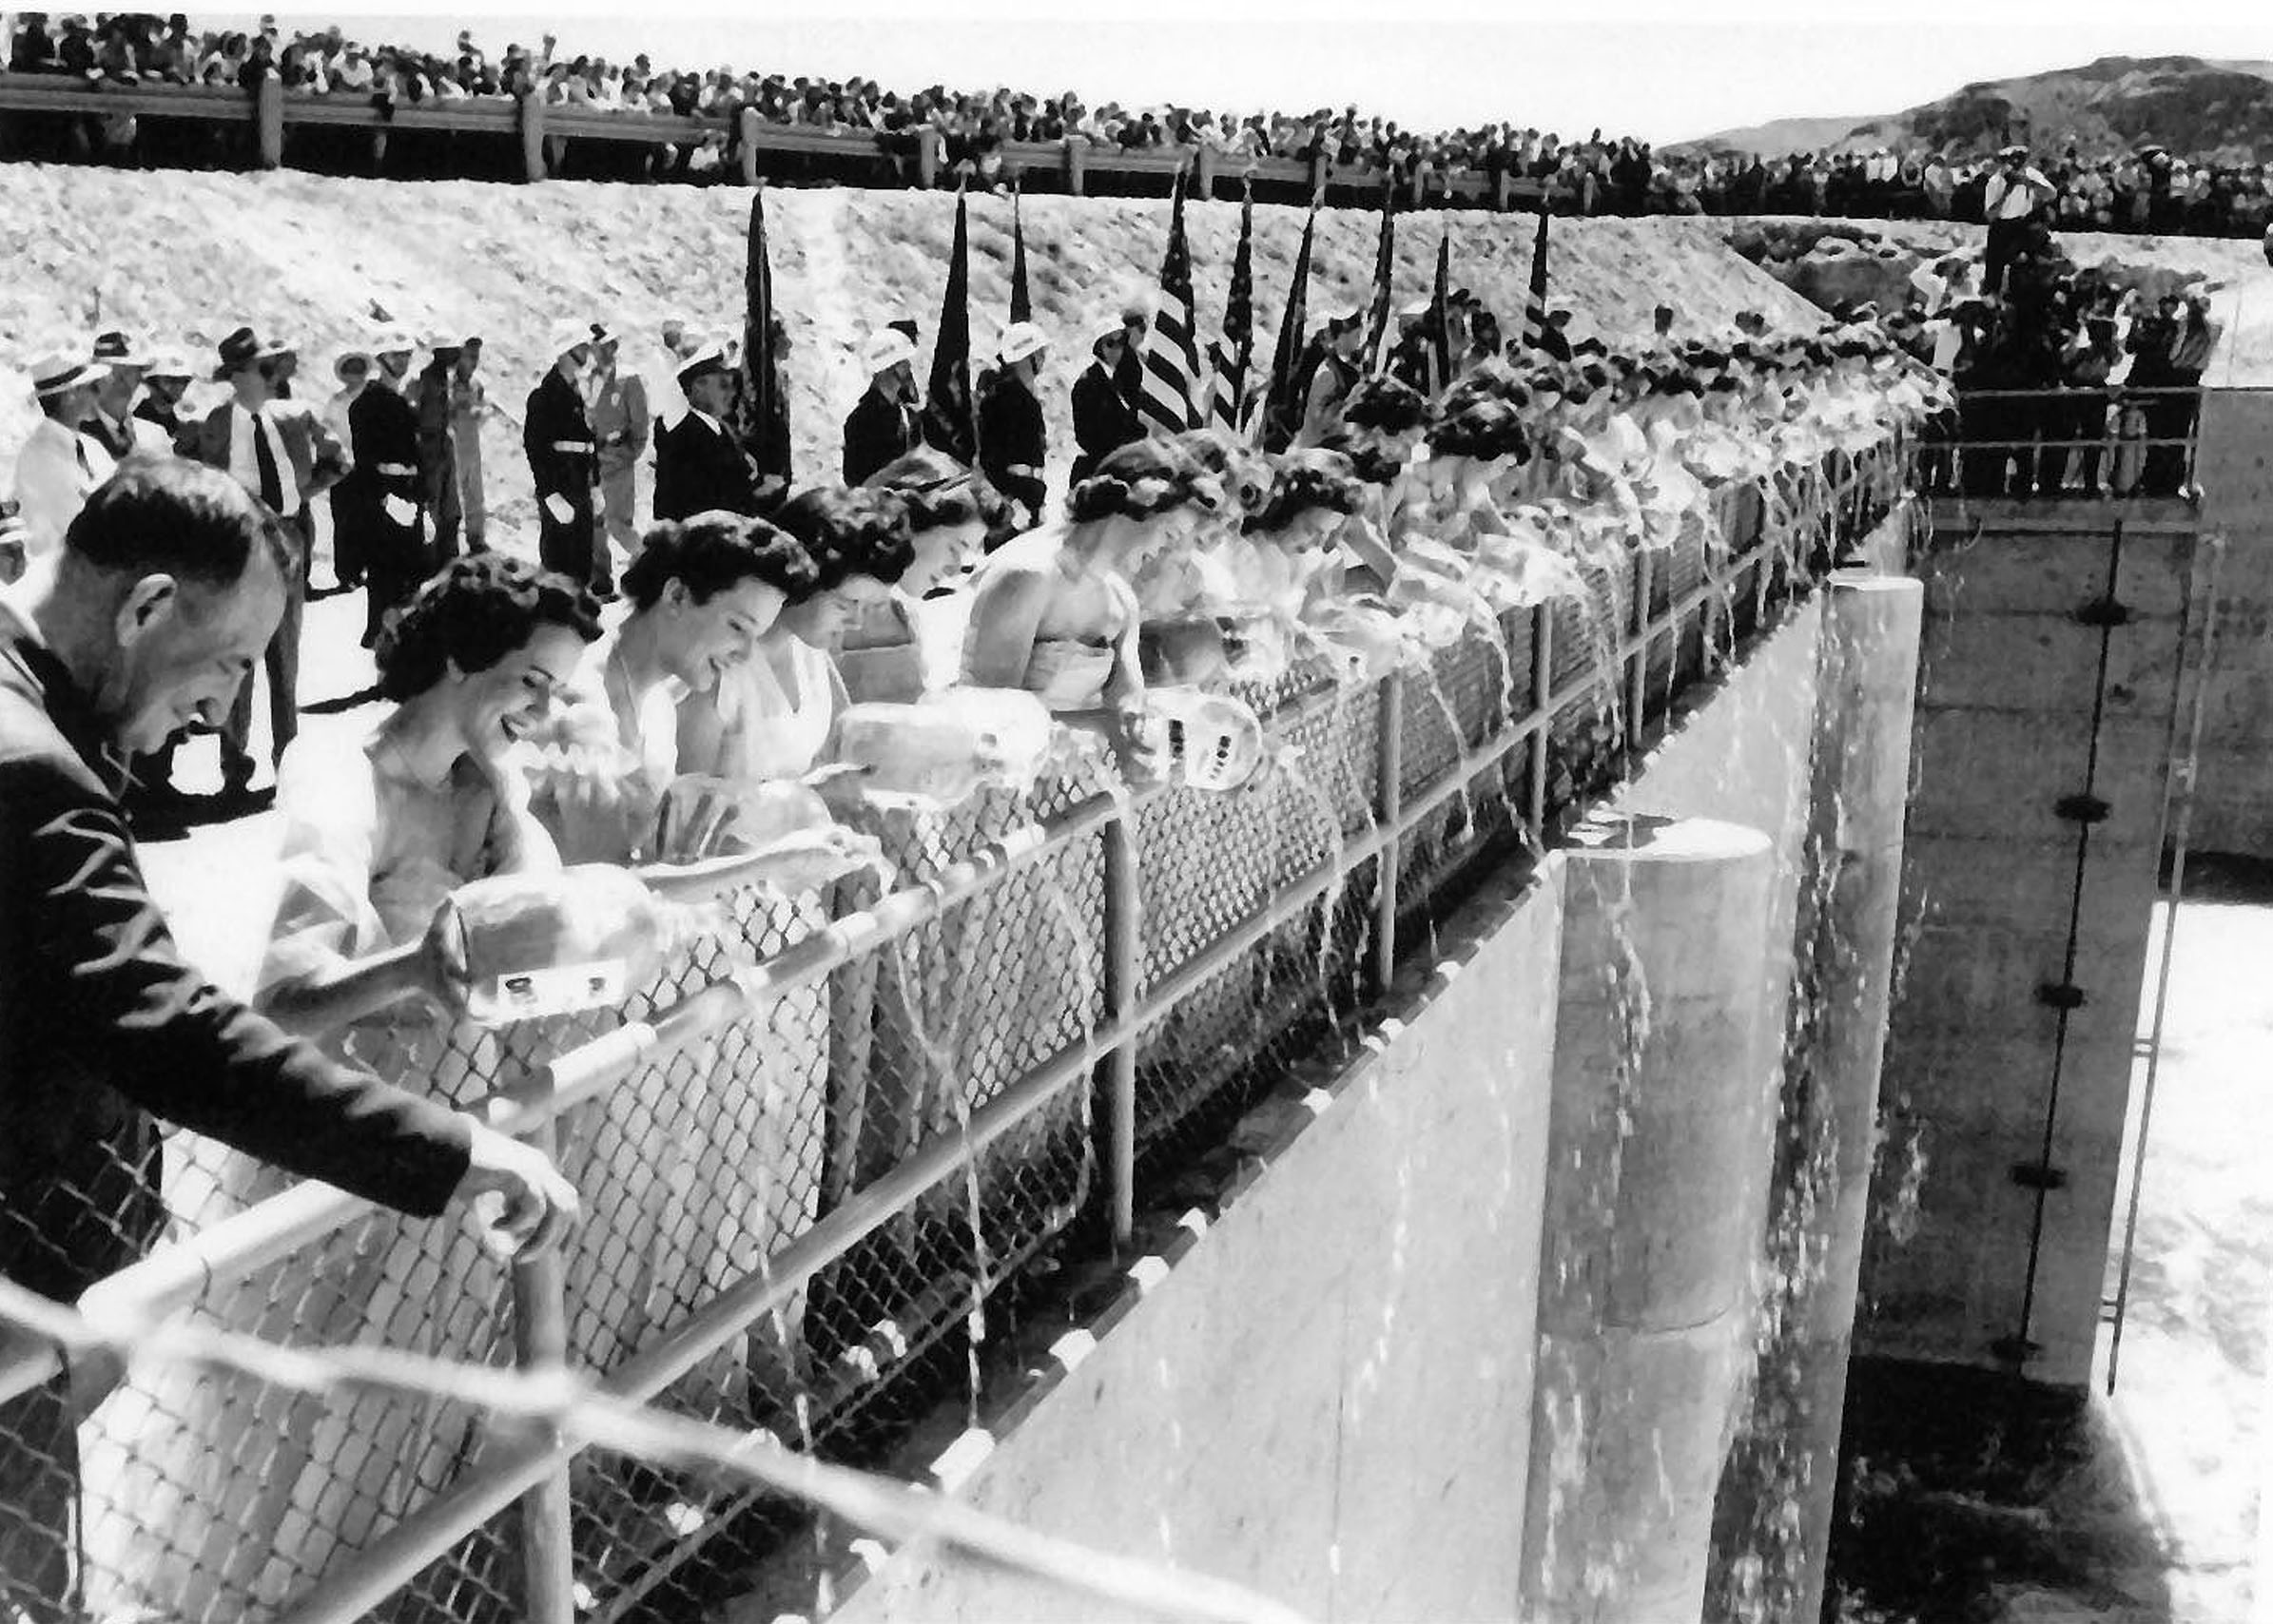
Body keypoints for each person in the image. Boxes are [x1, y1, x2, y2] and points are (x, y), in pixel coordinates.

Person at [0, 459, 576, 1622]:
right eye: (226, 664)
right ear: (147, 605)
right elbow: (165, 1026)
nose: (224, 709)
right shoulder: (26, 763)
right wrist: (453, 1149)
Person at [960, 436, 1219, 743]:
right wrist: (1102, 726)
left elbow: (1129, 707)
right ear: (1138, 506)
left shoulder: (1121, 602)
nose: (1171, 551)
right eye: (1171, 534)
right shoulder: (1028, 576)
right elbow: (993, 717)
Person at [185, 326, 347, 802]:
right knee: (238, 657)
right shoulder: (213, 424)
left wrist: (302, 494)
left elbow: (340, 459)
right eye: (264, 367)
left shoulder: (295, 416)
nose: (273, 374)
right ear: (239, 375)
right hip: (239, 545)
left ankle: (287, 761)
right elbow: (190, 473)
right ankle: (234, 767)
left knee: (285, 656)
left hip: (287, 540)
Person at [675, 486, 914, 786]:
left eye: (868, 608)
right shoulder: (716, 670)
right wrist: (811, 793)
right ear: (805, 582)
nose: (856, 622)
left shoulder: (811, 652)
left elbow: (842, 743)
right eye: (845, 604)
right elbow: (684, 802)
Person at [845, 448, 1007, 702]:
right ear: (912, 522)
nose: (955, 568)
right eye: (955, 548)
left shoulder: (903, 614)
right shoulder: (826, 611)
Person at [338, 329, 427, 647]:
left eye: (406, 355)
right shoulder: (366, 404)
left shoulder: (403, 402)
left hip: (409, 495)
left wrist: (419, 500)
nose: (402, 361)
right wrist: (387, 499)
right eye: (395, 355)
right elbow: (366, 461)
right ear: (381, 358)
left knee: (409, 580)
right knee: (385, 579)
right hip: (384, 499)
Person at [10, 351, 116, 564]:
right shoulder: (38, 456)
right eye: (92, 388)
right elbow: (80, 519)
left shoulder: (92, 447)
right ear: (70, 396)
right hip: (58, 569)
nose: (98, 396)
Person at [526, 319, 602, 593]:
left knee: (580, 563)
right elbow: (536, 447)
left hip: (580, 485)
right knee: (558, 564)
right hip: (560, 487)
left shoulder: (576, 393)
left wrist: (595, 483)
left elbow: (588, 443)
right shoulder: (544, 396)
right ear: (566, 351)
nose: (587, 352)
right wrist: (549, 492)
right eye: (581, 346)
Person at [652, 340, 764, 521]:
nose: (732, 393)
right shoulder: (682, 432)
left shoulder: (718, 429)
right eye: (723, 385)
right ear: (699, 386)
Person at [590, 324, 649, 591]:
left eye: (607, 346)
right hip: (593, 459)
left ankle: (649, 561)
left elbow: (640, 426)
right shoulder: (588, 379)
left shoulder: (628, 380)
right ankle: (601, 580)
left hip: (617, 459)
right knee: (595, 523)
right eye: (597, 347)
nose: (602, 352)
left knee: (618, 523)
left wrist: (627, 454)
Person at [978, 320, 1049, 530]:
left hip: (1024, 497)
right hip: (1014, 500)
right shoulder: (1007, 398)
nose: (1043, 358)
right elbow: (998, 459)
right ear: (1026, 357)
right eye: (1039, 353)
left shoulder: (1017, 394)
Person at [842, 329, 922, 486]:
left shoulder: (906, 414)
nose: (908, 367)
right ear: (886, 369)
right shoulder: (861, 421)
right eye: (902, 363)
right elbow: (857, 482)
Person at [410, 337, 465, 565]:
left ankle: (449, 557)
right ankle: (432, 560)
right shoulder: (426, 379)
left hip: (443, 442)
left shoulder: (445, 378)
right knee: (432, 504)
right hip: (429, 445)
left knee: (450, 505)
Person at [1070, 318, 1143, 486]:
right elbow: (1086, 436)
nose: (1117, 349)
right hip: (1097, 471)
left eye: (1121, 342)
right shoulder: (1087, 383)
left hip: (1123, 465)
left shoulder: (1123, 378)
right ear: (1099, 347)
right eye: (1111, 343)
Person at [81, 333, 172, 461]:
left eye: (131, 369)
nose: (122, 378)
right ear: (94, 377)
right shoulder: (77, 435)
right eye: (112, 369)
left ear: (140, 377)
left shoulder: (154, 436)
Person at [449, 337, 488, 551]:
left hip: (472, 444)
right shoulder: (448, 384)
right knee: (453, 496)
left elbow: (483, 408)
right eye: (470, 356)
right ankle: (450, 542)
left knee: (475, 493)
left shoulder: (476, 385)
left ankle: (476, 538)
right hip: (453, 445)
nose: (473, 361)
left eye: (476, 357)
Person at [132, 349, 196, 452]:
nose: (179, 386)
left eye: (184, 381)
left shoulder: (181, 427)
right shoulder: (135, 421)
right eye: (171, 380)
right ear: (151, 382)